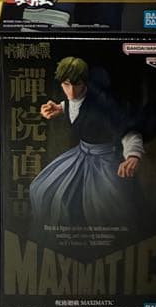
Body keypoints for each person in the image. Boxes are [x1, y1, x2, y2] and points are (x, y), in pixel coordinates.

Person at [30, 57, 149, 230]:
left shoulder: (104, 103)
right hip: (81, 155)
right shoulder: (72, 100)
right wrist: (60, 108)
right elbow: (74, 105)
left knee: (105, 211)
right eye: (66, 84)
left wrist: (133, 156)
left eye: (77, 84)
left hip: (106, 161)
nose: (71, 91)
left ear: (84, 82)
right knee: (40, 188)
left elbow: (127, 130)